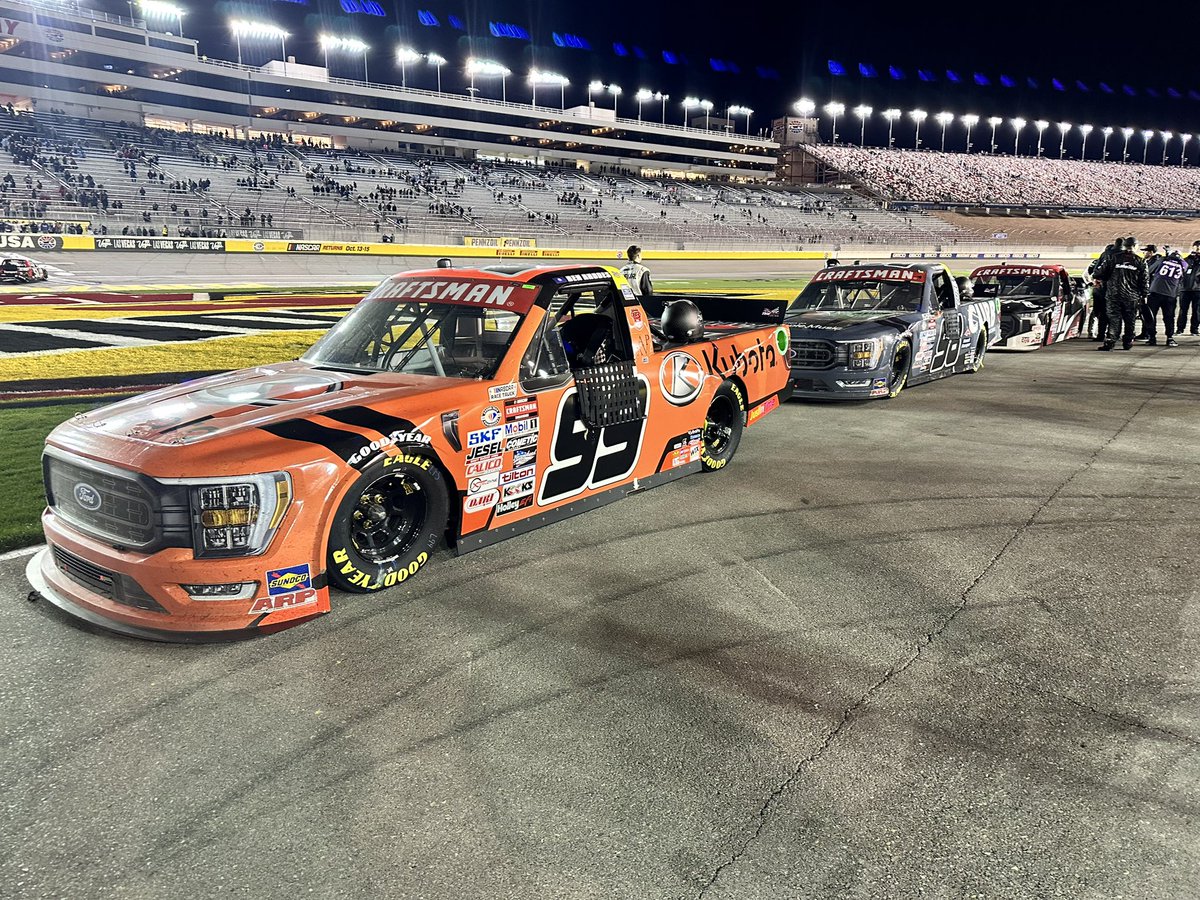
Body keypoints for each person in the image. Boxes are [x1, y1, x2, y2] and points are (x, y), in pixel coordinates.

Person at [1094, 236, 1149, 351]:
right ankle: (1128, 342)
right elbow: (1144, 280)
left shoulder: (1112, 257)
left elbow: (1098, 273)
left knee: (1114, 319)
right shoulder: (1140, 261)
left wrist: (1105, 279)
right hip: (1131, 296)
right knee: (1130, 319)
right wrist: (1144, 295)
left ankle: (1110, 342)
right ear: (1135, 247)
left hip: (1113, 294)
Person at [1145, 249, 1188, 347]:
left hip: (1155, 291)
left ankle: (1152, 337)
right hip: (1170, 294)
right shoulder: (1183, 264)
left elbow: (1149, 270)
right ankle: (1170, 338)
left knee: (1151, 316)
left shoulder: (1162, 260)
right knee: (1169, 317)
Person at [1088, 237, 1122, 341]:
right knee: (1116, 313)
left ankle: (1100, 334)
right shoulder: (1125, 256)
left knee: (1101, 312)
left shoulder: (1105, 255)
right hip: (1118, 289)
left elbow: (1095, 272)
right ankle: (1114, 335)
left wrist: (1098, 281)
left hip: (1102, 288)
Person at [1136, 244, 1162, 339]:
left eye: (1145, 251)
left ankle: (1147, 333)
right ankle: (1145, 332)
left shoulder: (1154, 262)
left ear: (1151, 252)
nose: (1143, 253)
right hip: (1148, 290)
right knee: (1145, 312)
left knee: (1147, 313)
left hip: (1150, 291)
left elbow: (1148, 275)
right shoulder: (1150, 261)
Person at [1177, 240, 1200, 336]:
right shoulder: (1186, 260)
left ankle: (1194, 329)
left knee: (1197, 311)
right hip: (1185, 289)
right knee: (1183, 310)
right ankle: (1180, 329)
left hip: (1198, 289)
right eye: (1196, 247)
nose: (1198, 249)